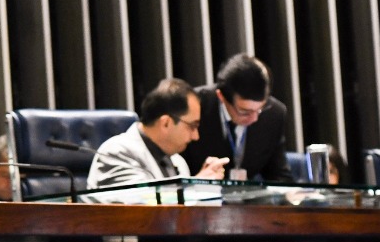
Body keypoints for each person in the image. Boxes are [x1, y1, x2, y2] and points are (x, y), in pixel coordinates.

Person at [87, 78, 228, 191]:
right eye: (192, 126)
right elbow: (141, 206)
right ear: (166, 123)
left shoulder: (178, 161)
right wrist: (195, 187)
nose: (195, 136)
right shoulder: (116, 152)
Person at [180, 54, 293, 182]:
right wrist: (197, 181)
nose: (254, 118)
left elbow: (280, 175)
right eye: (245, 112)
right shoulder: (191, 108)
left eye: (260, 109)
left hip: (249, 200)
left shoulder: (274, 113)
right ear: (221, 97)